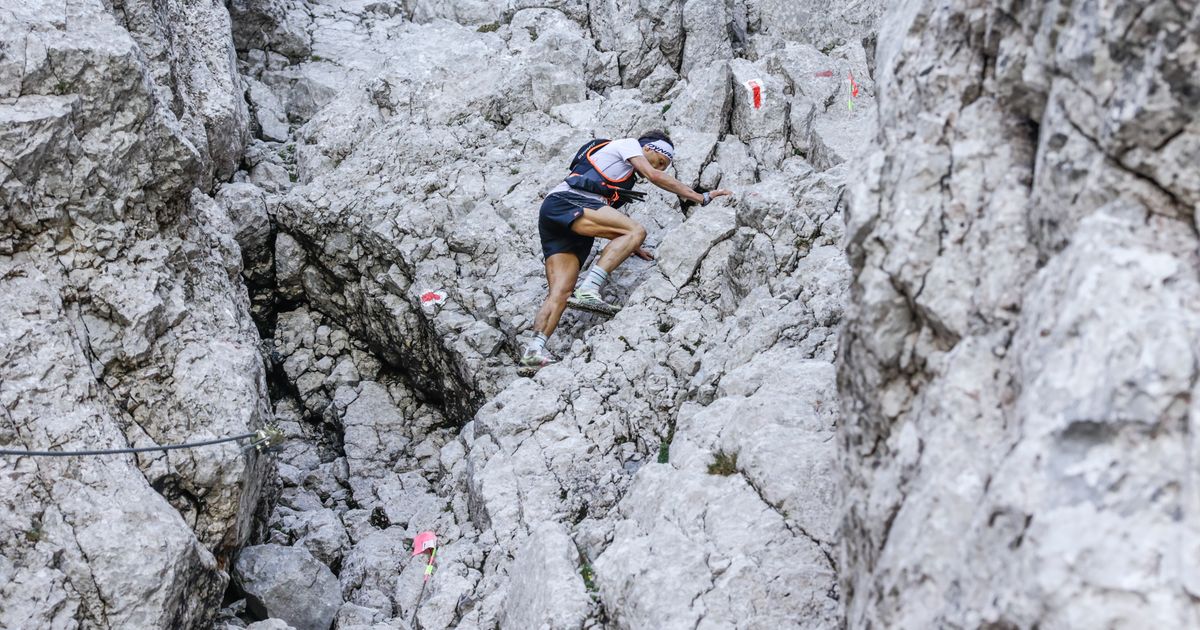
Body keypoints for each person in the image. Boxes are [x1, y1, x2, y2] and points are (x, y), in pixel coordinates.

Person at [521, 130, 734, 370]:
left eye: (664, 166)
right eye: (661, 161)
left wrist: (631, 244)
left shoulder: (622, 171)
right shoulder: (627, 144)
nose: (660, 168)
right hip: (569, 202)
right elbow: (653, 176)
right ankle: (589, 289)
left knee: (560, 292)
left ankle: (532, 352)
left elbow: (604, 219)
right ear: (648, 148)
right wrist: (701, 198)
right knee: (637, 230)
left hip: (558, 212)